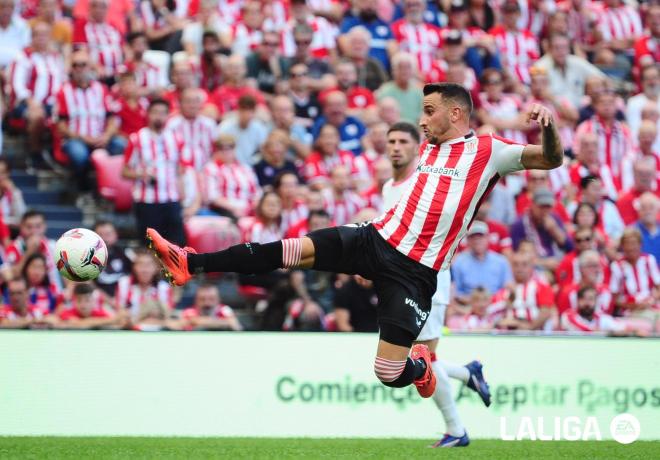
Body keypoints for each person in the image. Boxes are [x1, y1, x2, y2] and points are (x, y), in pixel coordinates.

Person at [146, 83, 564, 417]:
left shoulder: (489, 151)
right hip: (374, 238)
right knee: (290, 249)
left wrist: (548, 127)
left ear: (456, 113)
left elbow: (550, 159)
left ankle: (421, 369)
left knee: (387, 371)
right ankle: (190, 262)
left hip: (414, 273)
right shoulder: (429, 148)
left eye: (429, 111)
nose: (422, 122)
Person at [380, 121, 491, 447]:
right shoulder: (389, 187)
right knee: (424, 357)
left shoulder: (423, 183)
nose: (396, 146)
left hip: (429, 279)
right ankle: (466, 380)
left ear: (417, 148)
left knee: (423, 357)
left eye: (403, 141)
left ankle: (457, 427)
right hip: (403, 282)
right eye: (391, 140)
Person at [121, 98, 188, 246]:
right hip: (147, 201)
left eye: (163, 113)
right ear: (148, 114)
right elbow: (124, 172)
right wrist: (142, 175)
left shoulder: (176, 138)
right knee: (149, 246)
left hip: (172, 199)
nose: (159, 116)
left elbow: (180, 170)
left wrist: (182, 195)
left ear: (168, 116)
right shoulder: (137, 139)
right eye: (155, 112)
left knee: (177, 245)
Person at [451, 220, 513, 304]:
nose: (477, 240)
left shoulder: (501, 261)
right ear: (468, 240)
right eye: (473, 237)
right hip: (468, 306)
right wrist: (476, 302)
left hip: (496, 305)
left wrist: (493, 300)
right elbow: (455, 293)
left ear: (488, 238)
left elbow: (508, 288)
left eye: (480, 236)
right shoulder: (458, 262)